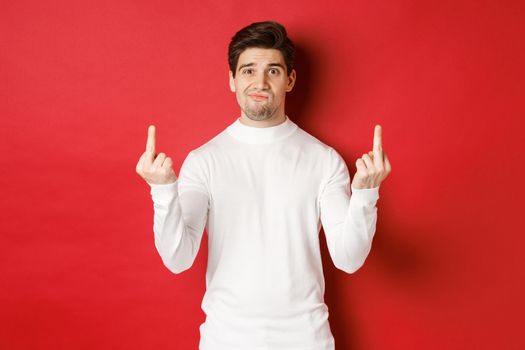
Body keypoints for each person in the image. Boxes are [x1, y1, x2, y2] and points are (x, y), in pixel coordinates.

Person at [135, 20, 391, 350]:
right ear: (232, 79)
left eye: (273, 70)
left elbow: (349, 258)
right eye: (248, 70)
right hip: (225, 340)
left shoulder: (324, 160)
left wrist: (366, 194)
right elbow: (178, 258)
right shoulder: (204, 161)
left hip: (306, 340)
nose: (260, 82)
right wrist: (163, 191)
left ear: (290, 80)